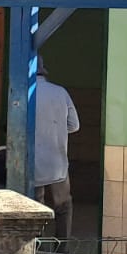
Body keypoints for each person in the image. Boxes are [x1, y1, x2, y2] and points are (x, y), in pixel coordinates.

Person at [33, 69, 80, 241]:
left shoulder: (23, 92)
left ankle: (37, 250)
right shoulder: (60, 92)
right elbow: (74, 125)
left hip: (33, 162)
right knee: (63, 206)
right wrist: (57, 130)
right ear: (45, 73)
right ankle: (62, 249)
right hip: (57, 162)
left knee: (36, 207)